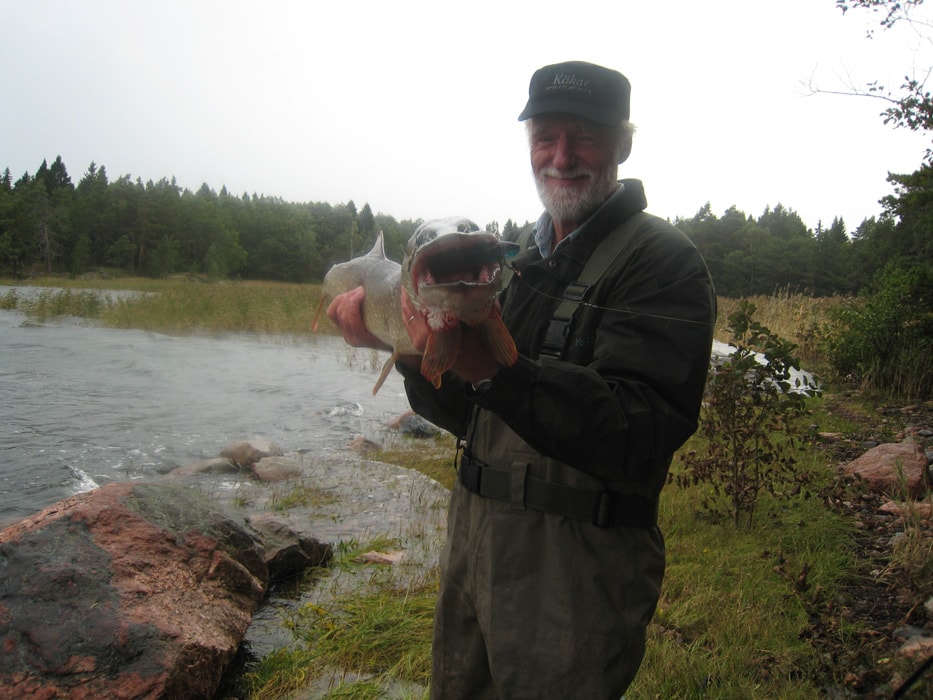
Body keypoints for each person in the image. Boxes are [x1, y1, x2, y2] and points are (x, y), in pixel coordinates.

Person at [327, 60, 716, 699]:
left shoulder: (664, 264)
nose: (561, 157)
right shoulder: (517, 261)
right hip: (475, 539)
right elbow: (471, 416)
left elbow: (638, 432)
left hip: (576, 566)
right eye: (545, 136)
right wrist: (400, 346)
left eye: (584, 136)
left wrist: (496, 371)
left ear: (622, 144)